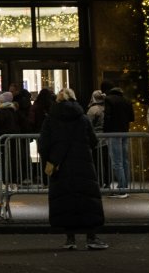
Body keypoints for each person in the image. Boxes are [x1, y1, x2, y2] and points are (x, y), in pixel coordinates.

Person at [39, 88, 107, 251]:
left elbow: (43, 144)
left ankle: (70, 238)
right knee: (87, 199)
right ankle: (91, 236)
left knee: (65, 200)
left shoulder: (51, 119)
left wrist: (50, 160)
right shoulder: (82, 118)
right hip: (82, 163)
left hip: (60, 165)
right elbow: (93, 140)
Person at [101, 81, 133, 197]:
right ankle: (125, 187)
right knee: (125, 160)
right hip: (125, 132)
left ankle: (122, 189)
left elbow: (107, 117)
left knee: (116, 161)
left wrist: (105, 132)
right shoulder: (127, 100)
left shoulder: (108, 100)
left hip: (113, 133)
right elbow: (131, 118)